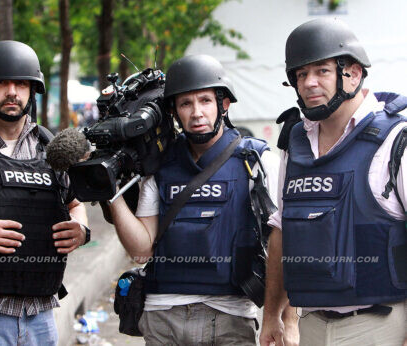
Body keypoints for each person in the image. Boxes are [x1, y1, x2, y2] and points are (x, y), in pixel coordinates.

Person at [108, 54, 298, 345]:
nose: (196, 112)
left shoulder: (257, 161)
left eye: (205, 101)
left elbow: (288, 240)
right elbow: (142, 252)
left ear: (224, 104)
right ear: (174, 111)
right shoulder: (159, 168)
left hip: (230, 316)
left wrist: (286, 319)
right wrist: (109, 193)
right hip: (163, 314)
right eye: (186, 103)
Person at [260, 18, 406, 346]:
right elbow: (283, 231)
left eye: (322, 71)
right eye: (301, 74)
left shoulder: (396, 139)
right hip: (311, 326)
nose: (310, 83)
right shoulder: (295, 143)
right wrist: (271, 315)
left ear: (352, 73)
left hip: (381, 325)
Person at [0, 40, 89, 345]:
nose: (12, 91)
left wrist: (80, 228)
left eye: (21, 83)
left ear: (32, 90)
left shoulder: (50, 147)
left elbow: (75, 204)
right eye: (2, 82)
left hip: (41, 319)